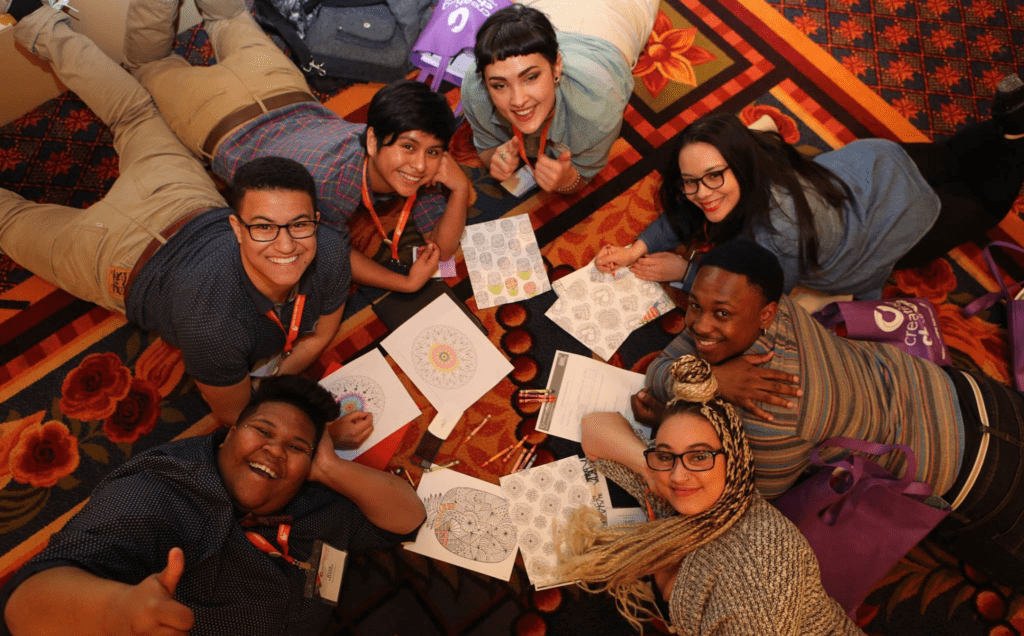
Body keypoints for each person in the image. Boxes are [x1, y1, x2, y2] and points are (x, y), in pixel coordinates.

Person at [2, 6, 354, 429]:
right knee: (131, 113)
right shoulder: (216, 332)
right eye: (264, 227)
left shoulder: (327, 251)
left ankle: (32, 14)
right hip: (158, 221)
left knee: (12, 219)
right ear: (236, 227)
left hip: (115, 253)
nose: (286, 245)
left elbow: (313, 337)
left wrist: (283, 372)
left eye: (299, 226)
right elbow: (237, 415)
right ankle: (30, 13)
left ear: (316, 221)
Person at [639, 239, 1024, 587]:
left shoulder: (778, 412)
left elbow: (739, 504)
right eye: (694, 306)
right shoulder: (766, 299)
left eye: (721, 314)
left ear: (767, 314)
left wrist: (671, 421)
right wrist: (713, 380)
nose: (701, 326)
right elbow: (662, 368)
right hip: (979, 394)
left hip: (986, 484)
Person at [0, 374, 424, 636]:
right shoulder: (158, 492)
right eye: (262, 430)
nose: (275, 452)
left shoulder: (313, 499)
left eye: (297, 447)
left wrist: (331, 466)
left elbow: (407, 518)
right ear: (230, 432)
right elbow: (26, 601)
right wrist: (117, 613)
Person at [122, 0, 472, 293]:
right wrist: (404, 283)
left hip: (280, 88)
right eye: (409, 147)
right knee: (149, 63)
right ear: (371, 139)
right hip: (219, 118)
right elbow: (334, 255)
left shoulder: (396, 158)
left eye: (433, 152)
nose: (420, 165)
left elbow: (437, 249)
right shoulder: (332, 186)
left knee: (229, 15)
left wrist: (460, 186)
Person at [595, 84, 1024, 298]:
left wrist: (685, 273)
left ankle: (1016, 135)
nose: (700, 193)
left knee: (988, 201)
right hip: (874, 164)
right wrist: (637, 247)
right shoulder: (754, 151)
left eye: (713, 178)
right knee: (950, 158)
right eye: (689, 181)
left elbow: (761, 291)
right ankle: (1008, 123)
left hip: (893, 221)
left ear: (738, 165)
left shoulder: (777, 232)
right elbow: (689, 211)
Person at [556, 357, 863, 634]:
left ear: (734, 460)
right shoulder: (694, 492)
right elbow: (595, 428)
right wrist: (650, 470)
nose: (679, 475)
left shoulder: (758, 576)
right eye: (666, 455)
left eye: (699, 456)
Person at [461, 1, 660, 194]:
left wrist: (567, 180)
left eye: (531, 77)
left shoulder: (599, 105)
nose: (518, 100)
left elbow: (583, 175)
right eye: (499, 85)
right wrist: (495, 159)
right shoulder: (475, 88)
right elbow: (487, 149)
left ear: (557, 67)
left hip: (618, 14)